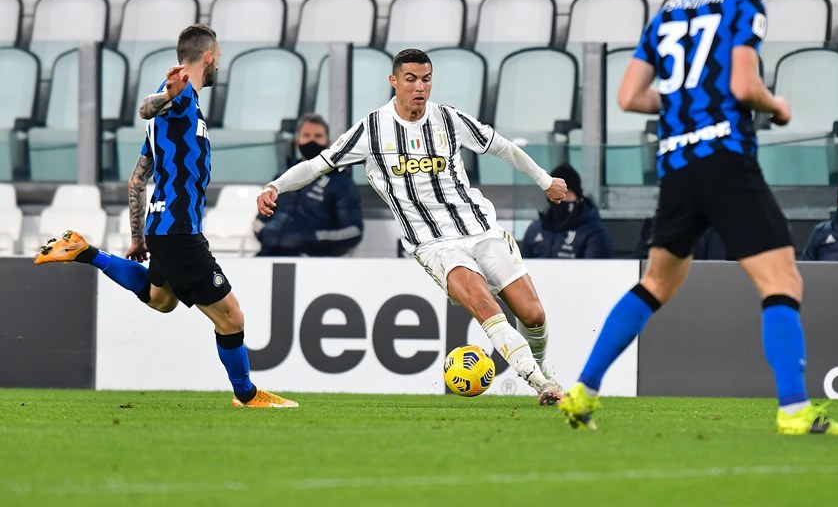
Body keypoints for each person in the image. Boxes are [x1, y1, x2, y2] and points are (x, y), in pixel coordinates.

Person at [558, 0, 838, 435]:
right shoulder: (743, 7)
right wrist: (776, 105)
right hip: (725, 157)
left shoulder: (666, 13)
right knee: (782, 281)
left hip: (676, 166)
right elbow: (742, 83)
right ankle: (795, 410)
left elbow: (628, 97)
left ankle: (583, 390)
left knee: (656, 283)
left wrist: (677, 107)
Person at [257, 48, 568, 404]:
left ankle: (541, 370)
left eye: (426, 79)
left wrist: (545, 180)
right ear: (394, 82)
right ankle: (540, 384)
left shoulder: (449, 119)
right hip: (434, 243)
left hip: (480, 228)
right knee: (484, 304)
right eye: (411, 79)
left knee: (533, 315)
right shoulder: (372, 128)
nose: (419, 87)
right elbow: (316, 166)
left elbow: (501, 147)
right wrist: (275, 186)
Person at [34, 23, 297, 409]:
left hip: (162, 227)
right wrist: (164, 97)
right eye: (217, 58)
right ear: (208, 56)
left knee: (161, 300)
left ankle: (84, 251)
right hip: (179, 230)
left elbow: (138, 179)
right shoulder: (179, 96)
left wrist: (139, 236)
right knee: (232, 317)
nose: (217, 65)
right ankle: (246, 395)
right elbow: (144, 106)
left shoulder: (168, 120)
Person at [254, 114, 363, 256]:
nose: (312, 140)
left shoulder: (341, 182)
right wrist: (265, 232)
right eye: (306, 135)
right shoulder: (281, 177)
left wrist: (312, 238)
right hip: (268, 253)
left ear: (328, 142)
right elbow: (261, 218)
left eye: (318, 136)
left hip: (313, 260)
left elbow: (354, 231)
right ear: (297, 141)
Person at [521, 163, 612, 259]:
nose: (561, 198)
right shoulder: (535, 229)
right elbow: (521, 268)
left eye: (567, 193)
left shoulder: (594, 231)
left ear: (578, 195)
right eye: (555, 193)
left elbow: (596, 271)